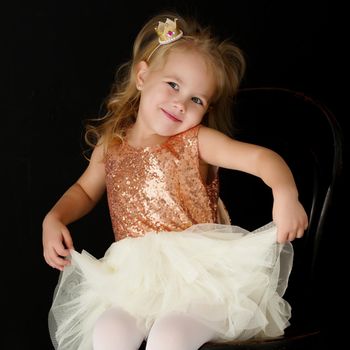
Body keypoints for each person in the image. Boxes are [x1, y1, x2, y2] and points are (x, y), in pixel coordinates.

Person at [42, 11, 308, 350]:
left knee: (169, 336)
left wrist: (285, 192)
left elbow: (261, 158)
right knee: (109, 331)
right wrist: (55, 217)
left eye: (196, 99)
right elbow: (83, 190)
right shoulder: (112, 148)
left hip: (201, 281)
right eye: (173, 85)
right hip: (136, 282)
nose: (180, 103)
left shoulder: (197, 142)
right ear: (142, 76)